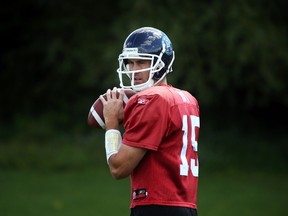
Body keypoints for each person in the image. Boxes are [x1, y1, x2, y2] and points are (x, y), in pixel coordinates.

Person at [99, 27, 200, 216]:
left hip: (156, 206)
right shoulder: (187, 99)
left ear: (161, 64)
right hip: (186, 206)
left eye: (141, 62)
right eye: (130, 63)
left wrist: (111, 123)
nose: (134, 70)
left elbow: (118, 167)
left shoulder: (152, 99)